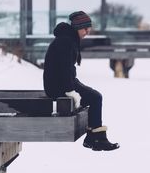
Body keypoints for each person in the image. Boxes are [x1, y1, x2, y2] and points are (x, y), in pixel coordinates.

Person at [43, 11, 119, 151]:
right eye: (85, 29)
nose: (87, 32)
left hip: (62, 82)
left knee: (94, 96)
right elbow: (64, 68)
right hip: (58, 86)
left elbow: (66, 69)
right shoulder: (66, 41)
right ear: (78, 27)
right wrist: (70, 90)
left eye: (89, 29)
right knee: (95, 98)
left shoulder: (67, 38)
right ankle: (96, 138)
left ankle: (94, 137)